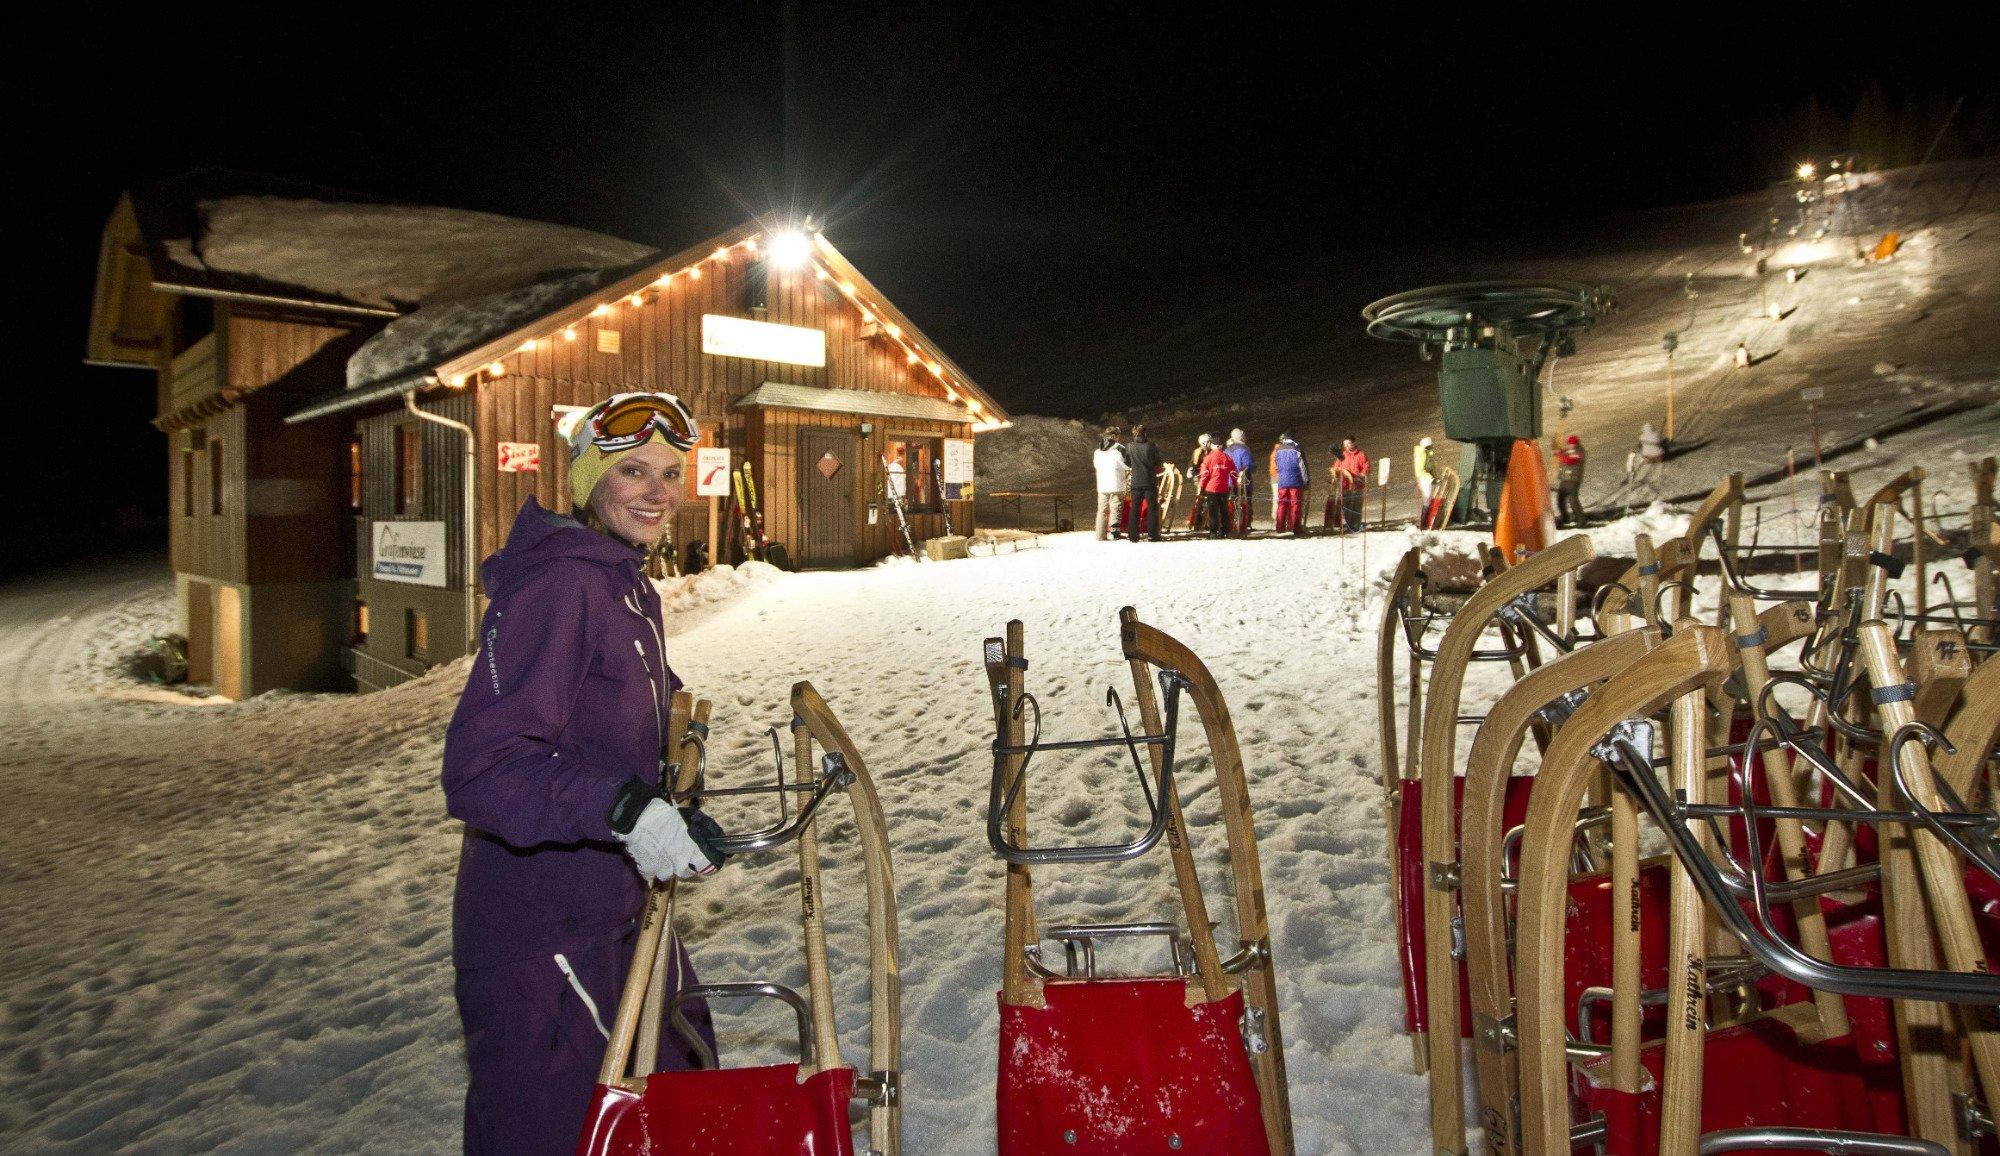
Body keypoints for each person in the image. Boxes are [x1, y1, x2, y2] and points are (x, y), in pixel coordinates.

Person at [443, 391, 723, 1154]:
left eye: (670, 472)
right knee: (566, 1131)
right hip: (544, 931)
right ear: (587, 482)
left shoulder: (622, 581)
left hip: (615, 905)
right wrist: (626, 808)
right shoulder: (558, 586)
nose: (658, 492)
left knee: (681, 1081)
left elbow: (625, 710)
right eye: (633, 470)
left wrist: (669, 787)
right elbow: (483, 767)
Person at [1124, 424, 1165, 542]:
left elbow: (1127, 462)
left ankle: (1133, 536)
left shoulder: (1130, 446)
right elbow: (1157, 462)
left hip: (1136, 481)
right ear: (1145, 433)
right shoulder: (1151, 446)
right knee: (1152, 508)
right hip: (1149, 480)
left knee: (1135, 508)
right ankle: (1153, 535)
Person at [1092, 427, 1130, 541]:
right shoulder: (1119, 450)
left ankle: (1100, 534)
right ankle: (1114, 533)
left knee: (1102, 510)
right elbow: (1127, 465)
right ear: (1115, 436)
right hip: (1116, 484)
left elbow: (1096, 466)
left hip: (1102, 485)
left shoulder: (1098, 452)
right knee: (1115, 508)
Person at [1198, 434, 1235, 540]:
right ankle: (1224, 531)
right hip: (1224, 488)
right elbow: (1233, 473)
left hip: (1211, 488)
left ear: (1212, 446)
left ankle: (1213, 532)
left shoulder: (1208, 458)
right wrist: (1235, 485)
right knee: (1224, 510)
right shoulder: (1227, 457)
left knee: (1213, 511)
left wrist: (1202, 487)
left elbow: (1204, 474)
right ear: (1221, 446)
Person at [1270, 433, 1307, 534]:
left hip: (1282, 481)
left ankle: (1280, 527)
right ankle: (1296, 528)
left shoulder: (1278, 450)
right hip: (1295, 481)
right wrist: (1305, 480)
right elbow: (1302, 466)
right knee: (1295, 504)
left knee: (1282, 504)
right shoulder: (1296, 449)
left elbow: (1276, 465)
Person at [1330, 436, 1368, 532]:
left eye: (1348, 443)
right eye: (1344, 444)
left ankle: (1355, 526)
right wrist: (1339, 472)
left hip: (1357, 485)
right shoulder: (1342, 455)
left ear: (1354, 443)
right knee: (1346, 506)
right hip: (1345, 485)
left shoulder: (1361, 454)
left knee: (1356, 506)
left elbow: (1366, 467)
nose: (1346, 446)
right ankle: (1348, 525)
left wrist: (1361, 475)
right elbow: (1336, 467)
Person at [1225, 428, 1254, 535]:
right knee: (1245, 501)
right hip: (1243, 480)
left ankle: (1230, 522)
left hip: (1228, 480)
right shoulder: (1244, 449)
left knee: (1230, 501)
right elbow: (1249, 464)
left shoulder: (1227, 449)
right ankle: (1245, 523)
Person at [1555, 433, 1587, 528]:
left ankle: (1581, 520)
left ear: (1575, 444)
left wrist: (1559, 454)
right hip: (1565, 479)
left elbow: (1568, 460)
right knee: (1560, 500)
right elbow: (1563, 453)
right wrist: (1558, 451)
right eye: (1568, 444)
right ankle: (1565, 517)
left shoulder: (1579, 452)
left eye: (1570, 444)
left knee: (1573, 500)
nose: (1568, 446)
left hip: (1573, 480)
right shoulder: (1569, 451)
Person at [1186, 433, 1214, 533]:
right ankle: (1197, 522)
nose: (1206, 444)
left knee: (1210, 500)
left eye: (1208, 442)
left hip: (1211, 478)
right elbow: (1193, 463)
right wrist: (1191, 470)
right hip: (1200, 478)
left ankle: (1208, 522)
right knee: (1200, 500)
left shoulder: (1213, 452)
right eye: (1204, 442)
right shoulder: (1197, 452)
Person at [1412, 436, 1436, 507]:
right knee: (1427, 497)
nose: (1432, 446)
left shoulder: (1428, 454)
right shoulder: (1422, 455)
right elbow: (1420, 470)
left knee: (1428, 498)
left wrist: (1434, 476)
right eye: (1431, 445)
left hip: (1426, 478)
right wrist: (1431, 478)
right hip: (1424, 478)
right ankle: (1425, 517)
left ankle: (1427, 514)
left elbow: (1432, 467)